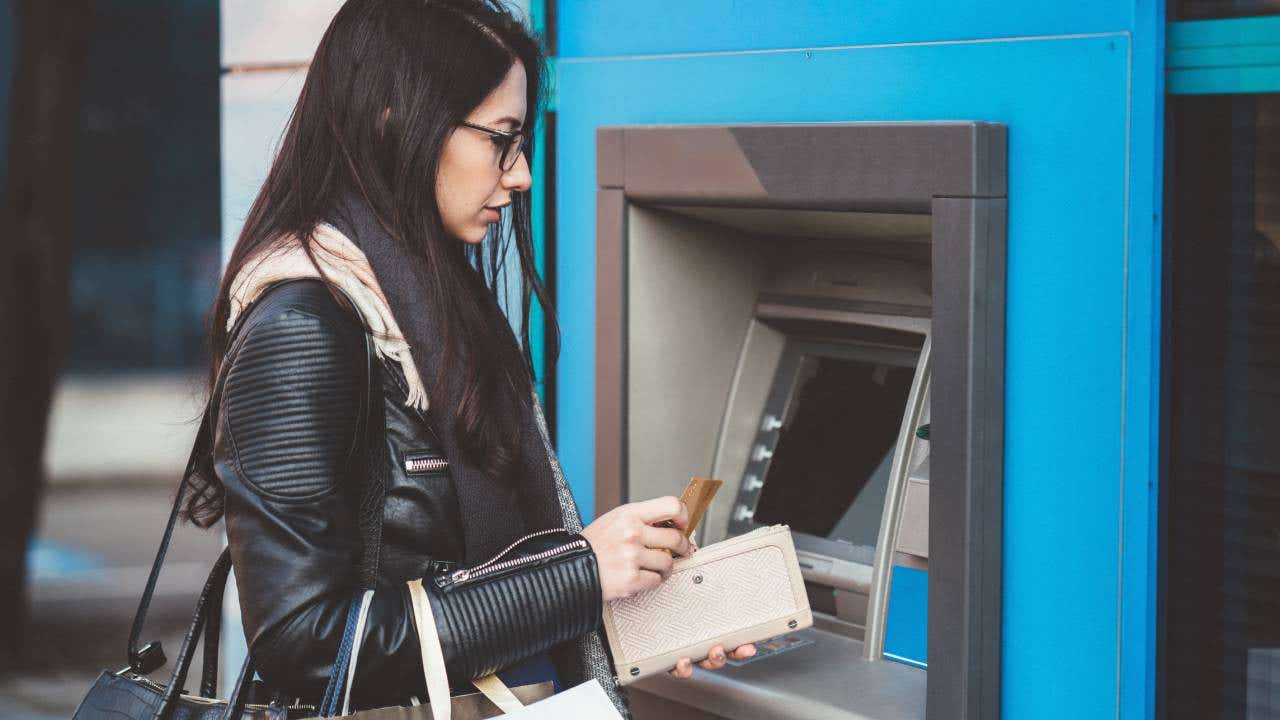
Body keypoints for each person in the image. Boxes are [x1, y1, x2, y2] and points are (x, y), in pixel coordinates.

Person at [182, 0, 754, 716]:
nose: (521, 176)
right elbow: (304, 645)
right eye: (501, 140)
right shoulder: (305, 326)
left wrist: (641, 606)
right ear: (395, 119)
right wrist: (577, 574)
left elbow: (484, 587)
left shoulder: (438, 308)